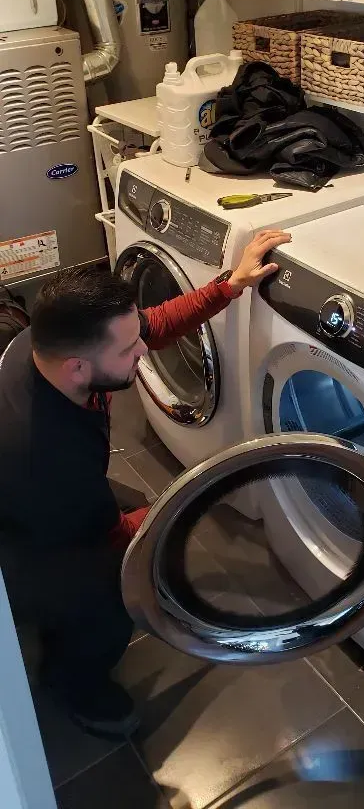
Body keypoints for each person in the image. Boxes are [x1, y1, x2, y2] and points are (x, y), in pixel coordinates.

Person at [0, 229, 290, 739]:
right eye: (129, 349)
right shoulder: (43, 459)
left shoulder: (45, 342)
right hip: (24, 543)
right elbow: (101, 537)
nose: (143, 349)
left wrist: (230, 285)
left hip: (46, 502)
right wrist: (167, 516)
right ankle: (74, 681)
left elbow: (152, 325)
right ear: (79, 367)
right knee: (112, 598)